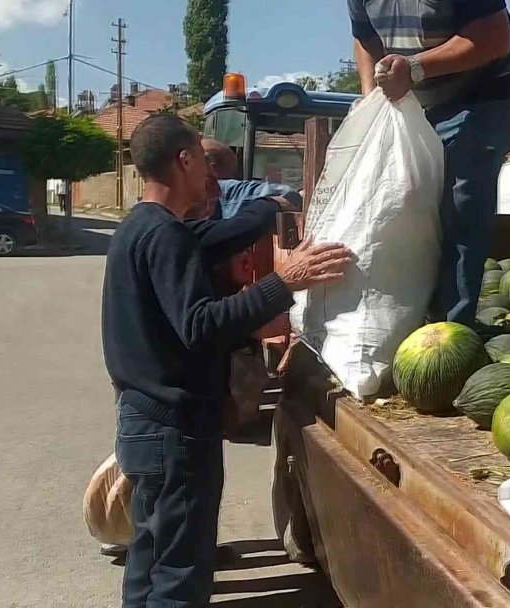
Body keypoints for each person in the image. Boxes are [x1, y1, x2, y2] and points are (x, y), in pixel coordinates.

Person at [103, 114, 351, 607]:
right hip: (173, 430)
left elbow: (192, 281)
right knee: (180, 569)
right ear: (185, 159)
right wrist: (285, 282)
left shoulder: (138, 227)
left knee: (150, 555)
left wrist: (262, 221)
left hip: (142, 421)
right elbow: (200, 327)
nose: (213, 178)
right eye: (203, 160)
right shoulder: (167, 236)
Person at [348, 0, 510, 326]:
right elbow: (366, 38)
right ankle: (399, 321)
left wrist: (415, 68)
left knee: (461, 201)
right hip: (417, 96)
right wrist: (372, 97)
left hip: (483, 94)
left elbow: (493, 36)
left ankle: (448, 332)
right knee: (399, 197)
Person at [201, 138, 303, 218]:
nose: (235, 180)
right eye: (233, 174)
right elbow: (285, 194)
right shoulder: (225, 194)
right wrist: (301, 196)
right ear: (213, 169)